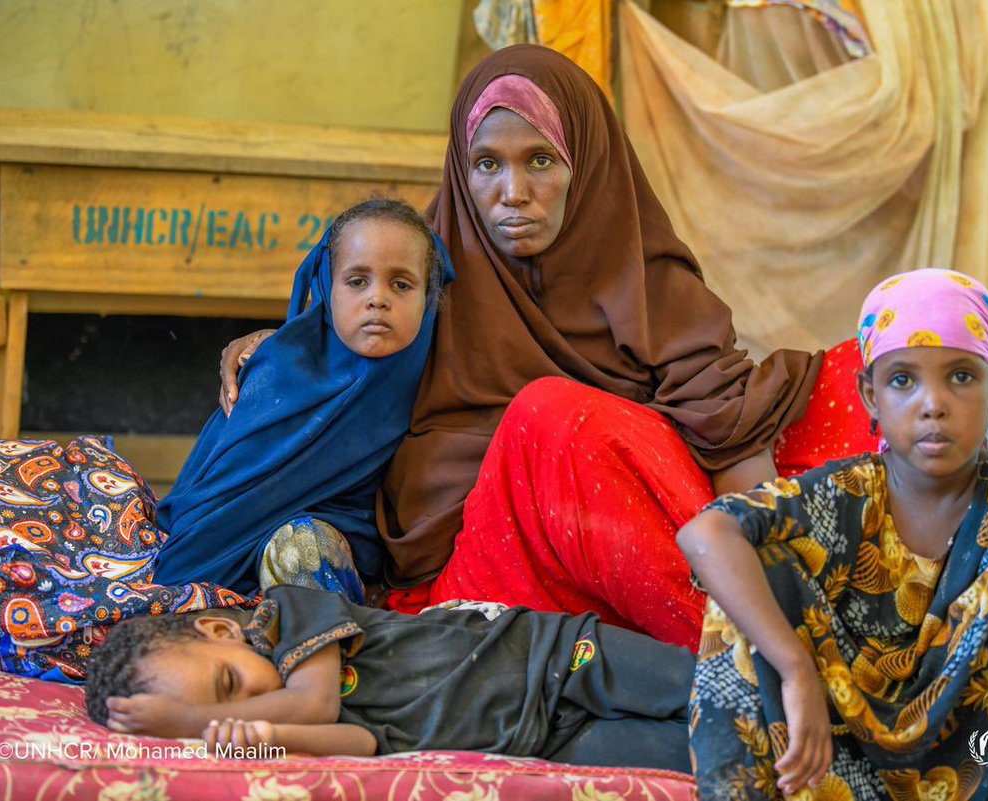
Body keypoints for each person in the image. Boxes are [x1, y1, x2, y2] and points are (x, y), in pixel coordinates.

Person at [215, 45, 877, 649]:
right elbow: (342, 351)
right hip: (486, 588)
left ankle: (767, 644)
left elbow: (731, 433)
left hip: (648, 567)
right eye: (486, 165)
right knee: (549, 418)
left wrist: (783, 583)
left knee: (879, 375)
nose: (512, 193)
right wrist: (279, 349)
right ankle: (755, 660)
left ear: (586, 164)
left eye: (540, 161)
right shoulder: (430, 277)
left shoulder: (649, 285)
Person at [678, 268, 988, 800]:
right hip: (836, 752)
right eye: (903, 380)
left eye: (960, 376)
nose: (932, 404)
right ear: (870, 395)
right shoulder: (846, 493)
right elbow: (707, 533)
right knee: (759, 568)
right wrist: (796, 670)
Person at [152, 199, 450, 598]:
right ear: (327, 287)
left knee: (303, 544)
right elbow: (215, 501)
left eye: (401, 284)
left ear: (427, 296)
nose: (379, 298)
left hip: (338, 555)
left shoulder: (434, 375)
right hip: (215, 560)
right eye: (357, 281)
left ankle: (317, 652)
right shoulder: (275, 371)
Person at [85, 584, 694, 771]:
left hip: (557, 659)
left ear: (221, 633)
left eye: (226, 684)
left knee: (715, 689)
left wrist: (191, 724)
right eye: (225, 709)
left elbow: (319, 705)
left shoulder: (288, 614)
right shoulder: (270, 723)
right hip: (546, 742)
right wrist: (258, 740)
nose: (246, 700)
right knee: (711, 754)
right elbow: (359, 743)